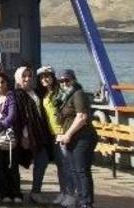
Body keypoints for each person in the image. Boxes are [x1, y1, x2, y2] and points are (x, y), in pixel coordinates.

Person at [55, 69, 98, 208]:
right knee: (74, 170)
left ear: (74, 80)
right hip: (71, 138)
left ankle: (86, 202)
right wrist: (63, 134)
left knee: (81, 170)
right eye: (61, 81)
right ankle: (80, 200)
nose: (64, 83)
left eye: (67, 80)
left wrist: (68, 134)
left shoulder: (78, 94)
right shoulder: (64, 97)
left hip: (83, 137)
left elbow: (82, 117)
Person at [14, 66, 54, 204]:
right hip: (28, 135)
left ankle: (35, 191)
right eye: (24, 76)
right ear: (18, 78)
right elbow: (20, 116)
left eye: (29, 76)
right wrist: (24, 136)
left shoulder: (35, 92)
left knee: (42, 160)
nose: (27, 79)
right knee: (18, 162)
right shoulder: (17, 94)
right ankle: (15, 191)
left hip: (39, 133)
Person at [37, 66, 74, 206]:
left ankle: (71, 195)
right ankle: (63, 192)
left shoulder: (60, 92)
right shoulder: (46, 93)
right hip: (52, 135)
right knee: (60, 166)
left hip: (62, 133)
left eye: (47, 76)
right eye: (42, 77)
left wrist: (64, 131)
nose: (44, 79)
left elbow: (67, 111)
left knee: (66, 166)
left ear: (53, 77)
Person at [0, 73, 22, 203]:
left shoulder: (11, 97)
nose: (0, 84)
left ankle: (16, 193)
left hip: (9, 137)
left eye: (2, 81)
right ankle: (4, 193)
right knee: (0, 167)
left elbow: (11, 117)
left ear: (6, 83)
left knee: (12, 166)